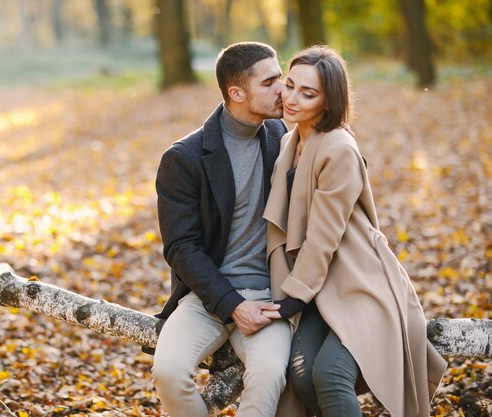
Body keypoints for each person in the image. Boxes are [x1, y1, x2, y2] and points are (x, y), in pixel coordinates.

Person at [263, 45, 447, 417]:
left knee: (330, 374)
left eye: (308, 93)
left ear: (329, 102)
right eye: (290, 84)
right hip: (321, 286)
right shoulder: (290, 140)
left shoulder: (338, 149)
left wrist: (292, 300)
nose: (293, 98)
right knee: (301, 375)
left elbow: (323, 236)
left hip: (360, 282)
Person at [152, 41, 292, 417]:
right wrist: (233, 305)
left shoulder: (284, 139)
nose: (283, 88)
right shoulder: (184, 158)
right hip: (205, 299)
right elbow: (181, 248)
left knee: (268, 375)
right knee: (167, 373)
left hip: (270, 298)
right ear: (237, 92)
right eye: (270, 82)